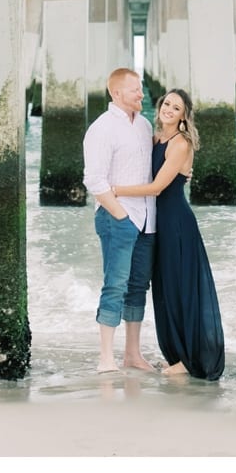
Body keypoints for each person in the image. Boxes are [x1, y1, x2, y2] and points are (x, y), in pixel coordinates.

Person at [111, 88, 225, 380]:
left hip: (176, 224)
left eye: (177, 108)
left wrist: (116, 190)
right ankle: (176, 355)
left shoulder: (180, 144)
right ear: (160, 106)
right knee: (164, 290)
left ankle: (191, 360)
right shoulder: (155, 138)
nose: (169, 110)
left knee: (181, 289)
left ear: (184, 116)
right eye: (167, 104)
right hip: (157, 223)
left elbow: (156, 187)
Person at [82, 67, 157, 373]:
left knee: (138, 286)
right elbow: (94, 180)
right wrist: (122, 215)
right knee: (115, 285)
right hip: (118, 218)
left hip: (148, 220)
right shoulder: (102, 128)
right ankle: (105, 358)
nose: (141, 94)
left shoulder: (144, 125)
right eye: (134, 89)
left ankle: (132, 355)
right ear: (116, 93)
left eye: (140, 88)